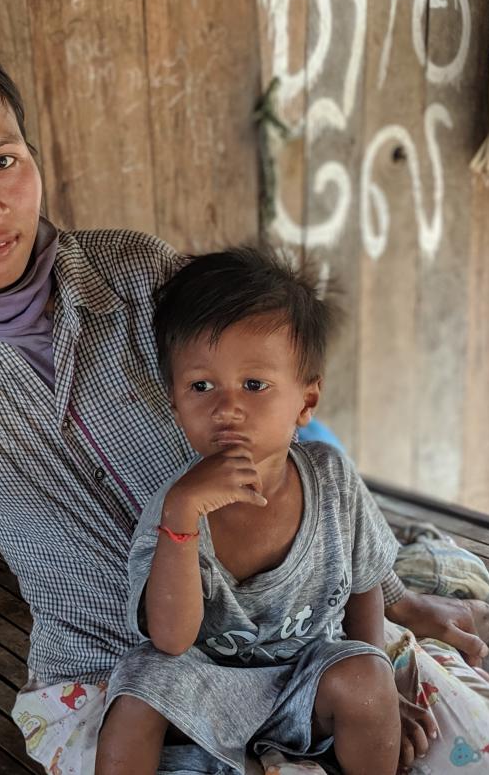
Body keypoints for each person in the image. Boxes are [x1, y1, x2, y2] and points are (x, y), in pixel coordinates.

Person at [0, 21, 489, 772]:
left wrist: (384, 610)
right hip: (112, 680)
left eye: (4, 161)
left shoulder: (137, 274)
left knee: (476, 753)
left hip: (282, 638)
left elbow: (279, 440)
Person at [94, 247, 402, 774]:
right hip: (203, 688)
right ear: (174, 403)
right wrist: (183, 518)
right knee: (135, 696)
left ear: (305, 402)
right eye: (201, 386)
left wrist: (376, 680)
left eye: (254, 385)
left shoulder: (330, 478)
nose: (226, 406)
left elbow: (365, 584)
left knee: (367, 683)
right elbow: (170, 639)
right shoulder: (174, 505)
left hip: (305, 678)